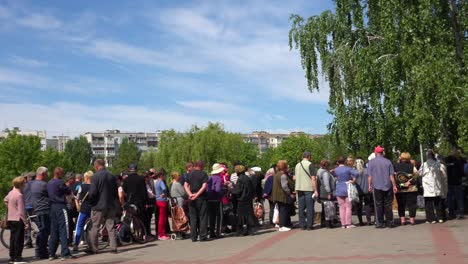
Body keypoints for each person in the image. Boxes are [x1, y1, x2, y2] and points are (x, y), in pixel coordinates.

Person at [87, 159, 118, 254]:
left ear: (96, 166)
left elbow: (92, 193)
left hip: (98, 205)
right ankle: (113, 247)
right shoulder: (112, 176)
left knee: (95, 226)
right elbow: (115, 192)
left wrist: (91, 202)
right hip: (110, 205)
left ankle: (94, 248)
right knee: (111, 226)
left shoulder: (95, 177)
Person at [367, 146, 398, 228]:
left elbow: (370, 176)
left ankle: (379, 223)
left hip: (376, 186)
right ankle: (390, 222)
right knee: (388, 204)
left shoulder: (371, 162)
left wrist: (369, 185)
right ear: (382, 152)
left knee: (378, 205)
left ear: (375, 153)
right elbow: (391, 176)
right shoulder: (388, 162)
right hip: (387, 185)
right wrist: (394, 186)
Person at [47, 167, 73, 260]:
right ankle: (65, 253)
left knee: (54, 230)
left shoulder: (49, 183)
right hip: (61, 206)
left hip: (52, 207)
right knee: (64, 229)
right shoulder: (60, 182)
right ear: (60, 174)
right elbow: (68, 191)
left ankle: (51, 253)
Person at [4, 176, 29, 264]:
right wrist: (26, 223)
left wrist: (10, 206)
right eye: (24, 183)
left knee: (13, 238)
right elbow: (21, 211)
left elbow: (5, 200)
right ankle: (18, 258)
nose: (25, 185)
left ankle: (12, 257)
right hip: (18, 219)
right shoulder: (19, 195)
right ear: (21, 184)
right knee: (19, 239)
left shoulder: (11, 193)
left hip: (11, 218)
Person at [184, 160, 209, 242]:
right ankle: (202, 236)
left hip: (191, 198)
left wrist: (190, 194)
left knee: (193, 218)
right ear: (201, 165)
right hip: (201, 198)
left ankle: (193, 237)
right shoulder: (204, 174)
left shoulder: (190, 174)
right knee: (202, 217)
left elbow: (185, 185)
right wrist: (197, 195)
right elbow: (204, 186)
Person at [420, 150, 447, 223]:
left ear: (427, 156)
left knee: (428, 203)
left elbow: (420, 173)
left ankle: (431, 219)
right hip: (437, 186)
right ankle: (440, 218)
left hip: (427, 186)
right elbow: (443, 174)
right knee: (438, 202)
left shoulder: (424, 164)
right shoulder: (438, 164)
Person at [294, 151, 318, 230]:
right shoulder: (310, 164)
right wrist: (315, 190)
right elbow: (313, 178)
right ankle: (309, 225)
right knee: (309, 207)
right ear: (309, 156)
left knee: (301, 208)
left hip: (299, 188)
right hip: (308, 188)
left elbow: (295, 177)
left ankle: (302, 225)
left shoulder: (297, 165)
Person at [29, 166, 50, 260]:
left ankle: (42, 251)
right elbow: (51, 195)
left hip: (37, 209)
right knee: (44, 231)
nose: (47, 176)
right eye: (46, 174)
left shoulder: (31, 184)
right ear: (42, 174)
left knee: (43, 231)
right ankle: (40, 251)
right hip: (44, 209)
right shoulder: (44, 184)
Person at [393, 152, 419, 225]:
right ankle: (412, 220)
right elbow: (416, 176)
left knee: (401, 204)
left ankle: (402, 220)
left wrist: (398, 184)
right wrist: (409, 182)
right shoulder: (411, 166)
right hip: (411, 188)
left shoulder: (395, 166)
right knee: (412, 204)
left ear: (400, 158)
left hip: (400, 188)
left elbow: (394, 176)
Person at [231, 164, 255, 236]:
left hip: (242, 199)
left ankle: (240, 231)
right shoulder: (247, 178)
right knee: (249, 214)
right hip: (248, 199)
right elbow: (252, 189)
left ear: (238, 172)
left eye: (236, 171)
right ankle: (250, 230)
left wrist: (231, 189)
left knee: (241, 216)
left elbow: (238, 190)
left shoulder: (240, 179)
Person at [334, 156, 358, 228]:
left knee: (341, 207)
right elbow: (356, 173)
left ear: (338, 162)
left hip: (339, 188)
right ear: (344, 162)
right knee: (348, 206)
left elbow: (334, 176)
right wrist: (353, 180)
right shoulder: (348, 168)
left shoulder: (336, 170)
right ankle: (348, 224)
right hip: (347, 188)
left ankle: (343, 224)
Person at [72, 171, 93, 253]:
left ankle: (76, 244)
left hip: (83, 209)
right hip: (92, 209)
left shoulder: (81, 186)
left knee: (79, 226)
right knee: (92, 227)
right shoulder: (94, 187)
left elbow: (76, 196)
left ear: (86, 178)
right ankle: (91, 244)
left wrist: (78, 204)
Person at [272, 160, 295, 232]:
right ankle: (283, 225)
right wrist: (290, 194)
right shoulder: (283, 175)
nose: (288, 166)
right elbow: (285, 186)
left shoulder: (277, 174)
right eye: (286, 165)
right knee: (283, 211)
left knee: (284, 210)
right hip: (283, 196)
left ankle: (287, 224)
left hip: (279, 195)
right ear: (284, 167)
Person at [445, 149, 465, 219]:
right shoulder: (460, 160)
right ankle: (460, 212)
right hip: (457, 181)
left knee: (451, 198)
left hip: (450, 182)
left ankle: (451, 213)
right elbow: (462, 171)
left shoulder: (447, 160)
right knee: (459, 198)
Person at [353, 158, 373, 225]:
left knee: (358, 206)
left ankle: (360, 221)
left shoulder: (354, 172)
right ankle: (368, 220)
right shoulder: (367, 171)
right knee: (367, 205)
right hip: (366, 189)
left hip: (358, 191)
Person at [317, 160, 336, 228]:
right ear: (327, 166)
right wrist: (329, 192)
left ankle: (323, 223)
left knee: (324, 208)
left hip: (321, 192)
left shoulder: (319, 171)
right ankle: (328, 224)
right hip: (325, 193)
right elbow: (326, 183)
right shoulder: (325, 173)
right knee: (328, 208)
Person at [207, 163, 224, 238]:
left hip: (209, 199)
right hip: (217, 199)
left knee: (211, 216)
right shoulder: (219, 178)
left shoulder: (210, 178)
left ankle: (211, 233)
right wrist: (224, 191)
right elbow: (218, 189)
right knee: (219, 216)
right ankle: (218, 233)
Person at [154, 170, 170, 240]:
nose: (165, 177)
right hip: (162, 201)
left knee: (161, 218)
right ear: (161, 176)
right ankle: (161, 234)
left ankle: (161, 233)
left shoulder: (157, 182)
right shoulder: (161, 182)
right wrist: (164, 193)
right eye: (165, 175)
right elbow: (164, 188)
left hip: (158, 200)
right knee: (162, 218)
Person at [22, 171, 36, 248]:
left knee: (26, 224)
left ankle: (28, 241)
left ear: (29, 178)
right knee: (36, 223)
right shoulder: (36, 184)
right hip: (35, 206)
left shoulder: (24, 186)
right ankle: (40, 239)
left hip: (26, 206)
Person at [143, 171, 156, 238]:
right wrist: (154, 195)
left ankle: (148, 232)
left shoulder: (147, 184)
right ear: (146, 178)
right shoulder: (144, 184)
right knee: (147, 219)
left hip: (149, 201)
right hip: (148, 202)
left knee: (149, 219)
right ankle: (147, 233)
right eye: (148, 177)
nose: (149, 178)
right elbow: (149, 193)